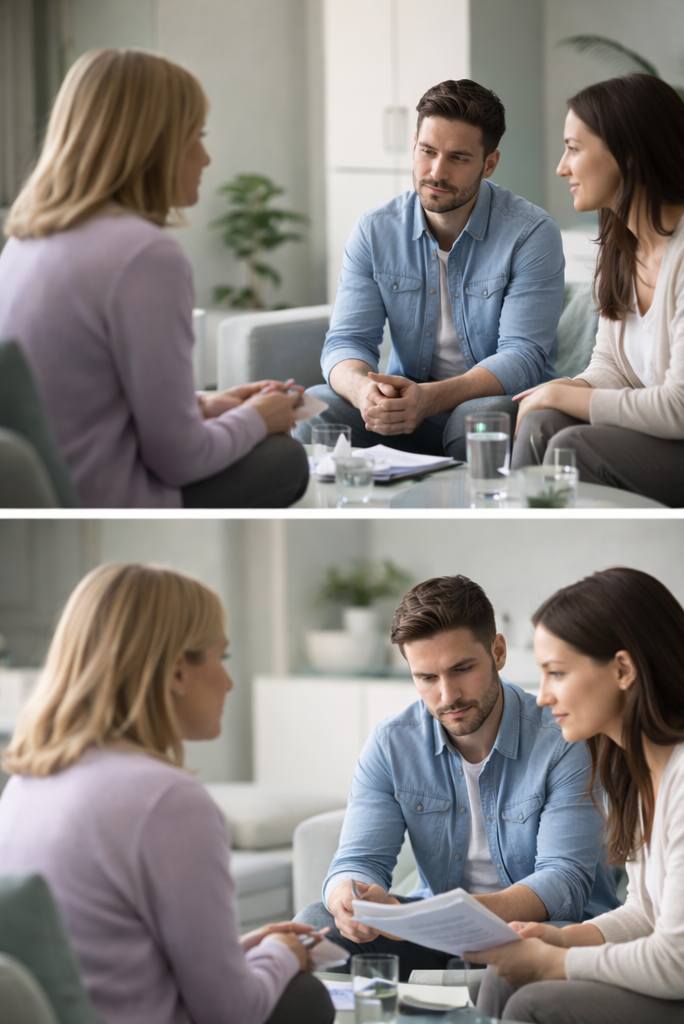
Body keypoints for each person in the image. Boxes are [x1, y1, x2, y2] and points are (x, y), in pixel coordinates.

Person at [0, 564, 332, 1024]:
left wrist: (239, 951)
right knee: (303, 995)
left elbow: (102, 964)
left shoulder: (26, 783)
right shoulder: (168, 802)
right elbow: (231, 1013)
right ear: (177, 671)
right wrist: (282, 952)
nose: (229, 681)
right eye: (221, 657)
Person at [0, 49, 307, 508]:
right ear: (153, 145)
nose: (205, 157)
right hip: (108, 501)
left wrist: (205, 406)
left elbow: (80, 401)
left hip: (46, 485)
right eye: (196, 135)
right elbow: (180, 460)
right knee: (285, 458)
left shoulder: (26, 239)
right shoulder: (145, 255)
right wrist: (259, 419)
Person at [465, 568, 684, 1024]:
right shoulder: (642, 765)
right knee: (507, 974)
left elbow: (683, 965)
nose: (542, 696)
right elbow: (645, 913)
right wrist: (562, 939)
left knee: (533, 1004)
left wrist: (556, 963)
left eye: (556, 673)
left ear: (623, 669)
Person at [293, 574, 619, 977]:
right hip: (434, 933)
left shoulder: (563, 738)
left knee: (518, 966)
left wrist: (449, 916)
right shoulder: (391, 743)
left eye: (462, 669)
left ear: (498, 652)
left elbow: (563, 881)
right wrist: (349, 897)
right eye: (427, 678)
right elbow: (358, 860)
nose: (447, 696)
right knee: (316, 924)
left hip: (542, 930)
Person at [508, 75, 684, 507]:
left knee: (573, 446)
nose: (562, 167)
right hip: (666, 440)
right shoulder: (625, 243)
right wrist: (566, 388)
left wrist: (560, 391)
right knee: (541, 422)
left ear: (628, 153)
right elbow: (611, 366)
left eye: (573, 148)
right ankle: (520, 529)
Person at [297, 79, 564, 461]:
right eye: (428, 151)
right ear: (414, 146)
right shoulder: (375, 230)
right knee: (317, 406)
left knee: (477, 419)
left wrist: (429, 399)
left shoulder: (531, 233)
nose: (437, 172)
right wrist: (363, 392)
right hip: (407, 403)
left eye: (458, 158)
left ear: (489, 164)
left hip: (488, 402)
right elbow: (346, 340)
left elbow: (522, 357)